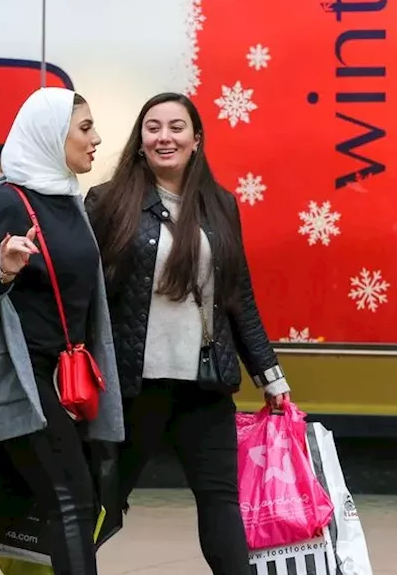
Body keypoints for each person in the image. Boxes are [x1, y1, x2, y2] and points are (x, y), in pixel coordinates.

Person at [86, 92, 291, 575]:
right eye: (153, 127)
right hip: (134, 385)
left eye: (177, 127)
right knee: (103, 501)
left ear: (196, 140)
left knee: (221, 502)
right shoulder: (108, 201)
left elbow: (238, 296)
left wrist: (269, 373)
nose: (165, 137)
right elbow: (85, 295)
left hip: (204, 383)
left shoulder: (220, 205)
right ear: (139, 141)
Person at [0, 87, 123, 575]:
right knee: (73, 500)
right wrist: (1, 273)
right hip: (15, 379)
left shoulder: (69, 199)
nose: (95, 138)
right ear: (50, 134)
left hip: (65, 378)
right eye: (84, 128)